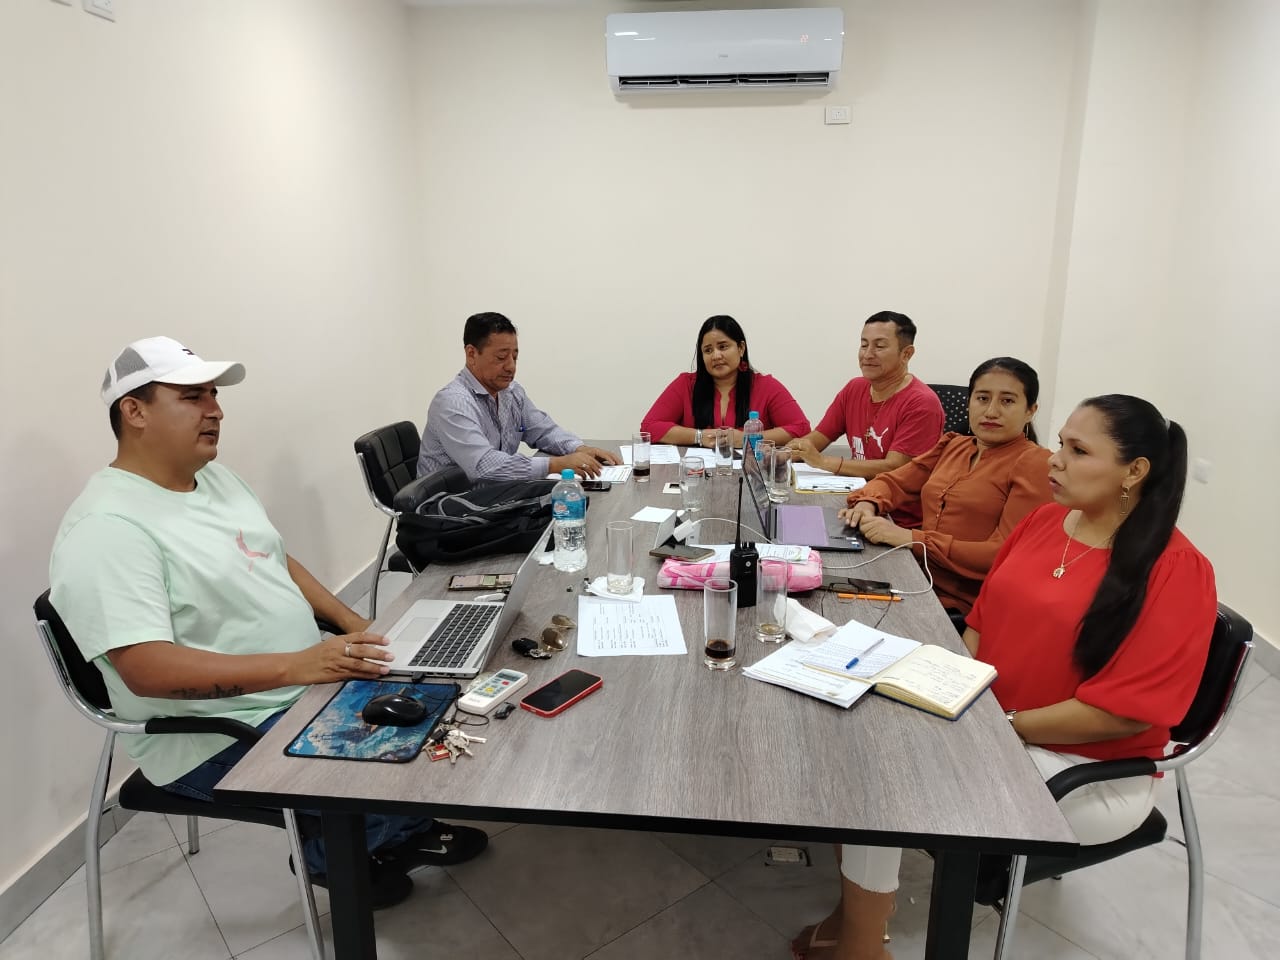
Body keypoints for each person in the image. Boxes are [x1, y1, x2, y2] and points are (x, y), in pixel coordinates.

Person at [49, 337, 489, 911]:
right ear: (134, 411)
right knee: (392, 764)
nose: (215, 410)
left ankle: (396, 829)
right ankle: (334, 853)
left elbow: (274, 556)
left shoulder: (215, 479)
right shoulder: (107, 528)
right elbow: (146, 670)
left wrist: (358, 624)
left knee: (443, 704)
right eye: (192, 396)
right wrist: (298, 666)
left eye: (214, 395)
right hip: (218, 730)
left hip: (296, 687)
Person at [793, 395, 1217, 960]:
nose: (1055, 460)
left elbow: (1124, 713)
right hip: (993, 720)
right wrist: (952, 689)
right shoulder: (1045, 522)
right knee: (867, 735)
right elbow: (982, 621)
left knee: (888, 777)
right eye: (1061, 443)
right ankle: (859, 921)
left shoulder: (1177, 569)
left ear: (1134, 471)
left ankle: (860, 942)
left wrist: (998, 726)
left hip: (1085, 769)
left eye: (1078, 450)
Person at [837, 358, 1053, 617]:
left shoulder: (1035, 463)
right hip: (915, 577)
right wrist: (867, 503)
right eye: (982, 398)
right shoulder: (953, 445)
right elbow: (894, 481)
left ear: (1030, 410)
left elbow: (1003, 554)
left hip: (962, 605)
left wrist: (913, 539)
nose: (991, 411)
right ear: (969, 402)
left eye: (1007, 401)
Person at [417, 312, 620, 482]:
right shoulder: (453, 403)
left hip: (492, 500)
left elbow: (543, 430)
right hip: (448, 510)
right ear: (471, 354)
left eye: (515, 357)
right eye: (501, 357)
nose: (511, 366)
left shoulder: (511, 393)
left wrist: (580, 448)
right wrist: (556, 464)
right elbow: (483, 466)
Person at [787, 311, 945, 528]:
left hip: (895, 520)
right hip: (853, 502)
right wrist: (781, 454)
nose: (868, 354)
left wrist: (823, 462)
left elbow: (895, 467)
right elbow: (818, 438)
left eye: (879, 346)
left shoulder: (922, 403)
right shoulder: (855, 388)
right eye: (863, 345)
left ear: (906, 354)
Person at [639, 314, 811, 449]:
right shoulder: (686, 384)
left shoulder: (766, 386)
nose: (716, 355)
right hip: (697, 474)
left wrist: (746, 439)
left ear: (741, 348)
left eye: (723, 346)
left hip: (750, 475)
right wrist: (700, 436)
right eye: (708, 350)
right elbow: (649, 427)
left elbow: (801, 429)